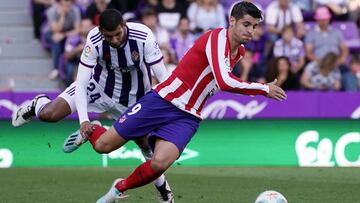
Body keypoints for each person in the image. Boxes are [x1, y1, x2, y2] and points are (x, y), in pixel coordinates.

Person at [66, 2, 287, 202]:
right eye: (246, 24)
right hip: (163, 100)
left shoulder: (238, 52)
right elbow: (225, 80)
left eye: (254, 26)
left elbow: (219, 82)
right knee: (104, 146)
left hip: (188, 116)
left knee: (159, 163)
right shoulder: (216, 38)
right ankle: (92, 128)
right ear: (232, 21)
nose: (250, 31)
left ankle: (117, 190)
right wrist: (263, 89)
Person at [12, 9, 174, 203]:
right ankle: (38, 104)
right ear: (100, 30)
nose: (114, 40)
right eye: (109, 36)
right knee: (50, 114)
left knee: (146, 146)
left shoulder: (143, 36)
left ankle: (163, 189)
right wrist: (84, 121)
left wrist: (167, 108)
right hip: (97, 88)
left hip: (134, 99)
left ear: (124, 25)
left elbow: (163, 77)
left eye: (117, 34)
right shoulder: (94, 40)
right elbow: (81, 83)